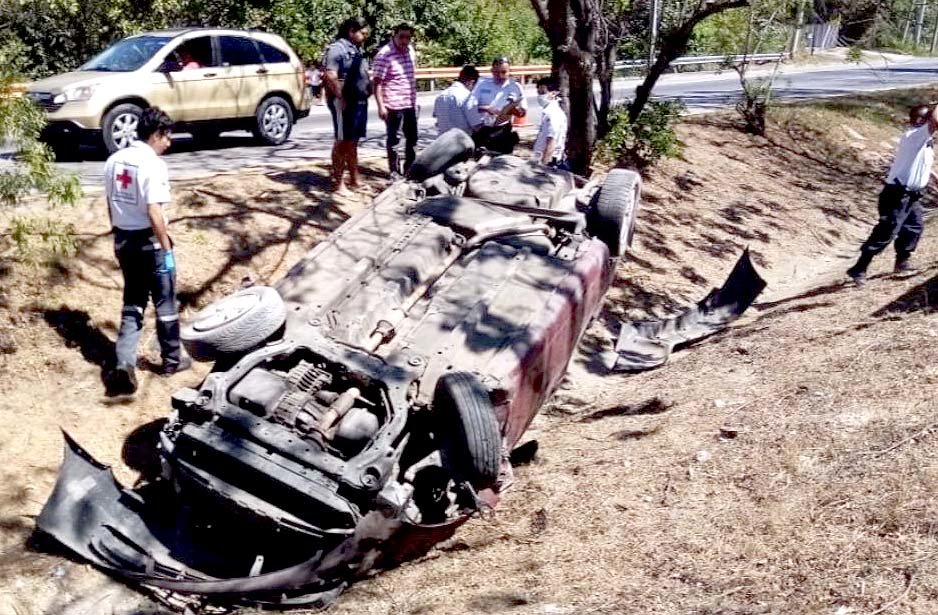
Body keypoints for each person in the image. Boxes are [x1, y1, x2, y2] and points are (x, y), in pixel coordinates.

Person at [104, 107, 190, 395]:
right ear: (155, 135)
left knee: (133, 304)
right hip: (150, 244)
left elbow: (109, 204)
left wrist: (117, 233)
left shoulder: (114, 160)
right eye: (167, 137)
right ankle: (172, 361)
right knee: (165, 303)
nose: (170, 142)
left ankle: (124, 363)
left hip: (123, 242)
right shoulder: (153, 165)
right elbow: (155, 211)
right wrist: (166, 250)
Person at [846, 103, 938, 284]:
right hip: (897, 194)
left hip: (911, 195)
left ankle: (902, 262)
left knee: (914, 227)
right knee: (886, 231)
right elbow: (936, 121)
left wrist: (934, 176)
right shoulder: (914, 135)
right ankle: (859, 268)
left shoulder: (924, 141)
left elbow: (918, 164)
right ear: (921, 120)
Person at [323, 17, 371, 195]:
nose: (365, 34)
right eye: (362, 31)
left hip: (359, 101)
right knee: (342, 141)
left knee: (353, 141)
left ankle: (354, 179)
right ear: (351, 30)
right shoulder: (337, 48)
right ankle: (338, 184)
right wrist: (340, 96)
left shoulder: (357, 49)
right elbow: (330, 75)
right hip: (345, 102)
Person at [373, 23, 418, 176]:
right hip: (393, 104)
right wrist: (381, 106)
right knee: (394, 140)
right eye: (401, 37)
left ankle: (410, 170)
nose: (404, 41)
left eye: (408, 37)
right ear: (395, 35)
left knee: (412, 139)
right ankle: (394, 171)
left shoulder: (410, 51)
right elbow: (377, 83)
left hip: (410, 102)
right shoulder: (385, 54)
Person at [470, 56, 528, 154]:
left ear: (509, 71)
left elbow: (523, 112)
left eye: (504, 72)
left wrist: (515, 111)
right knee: (480, 164)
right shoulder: (482, 84)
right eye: (496, 72)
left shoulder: (515, 87)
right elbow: (470, 106)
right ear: (491, 70)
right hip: (482, 129)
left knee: (501, 162)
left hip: (502, 130)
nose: (500, 76)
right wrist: (485, 108)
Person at [432, 65, 479, 136]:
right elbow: (476, 126)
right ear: (471, 82)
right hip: (461, 141)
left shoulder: (441, 96)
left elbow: (437, 119)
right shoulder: (468, 97)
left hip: (442, 141)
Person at [532, 77, 568, 169]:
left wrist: (543, 167)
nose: (540, 96)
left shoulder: (554, 114)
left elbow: (552, 142)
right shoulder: (547, 111)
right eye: (539, 93)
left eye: (543, 93)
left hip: (550, 163)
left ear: (554, 93)